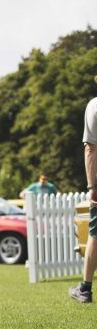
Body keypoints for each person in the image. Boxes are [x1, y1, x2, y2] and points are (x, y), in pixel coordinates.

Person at [69, 77, 97, 304]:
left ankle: (85, 288)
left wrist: (92, 186)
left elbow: (90, 149)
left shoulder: (94, 106)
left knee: (95, 235)